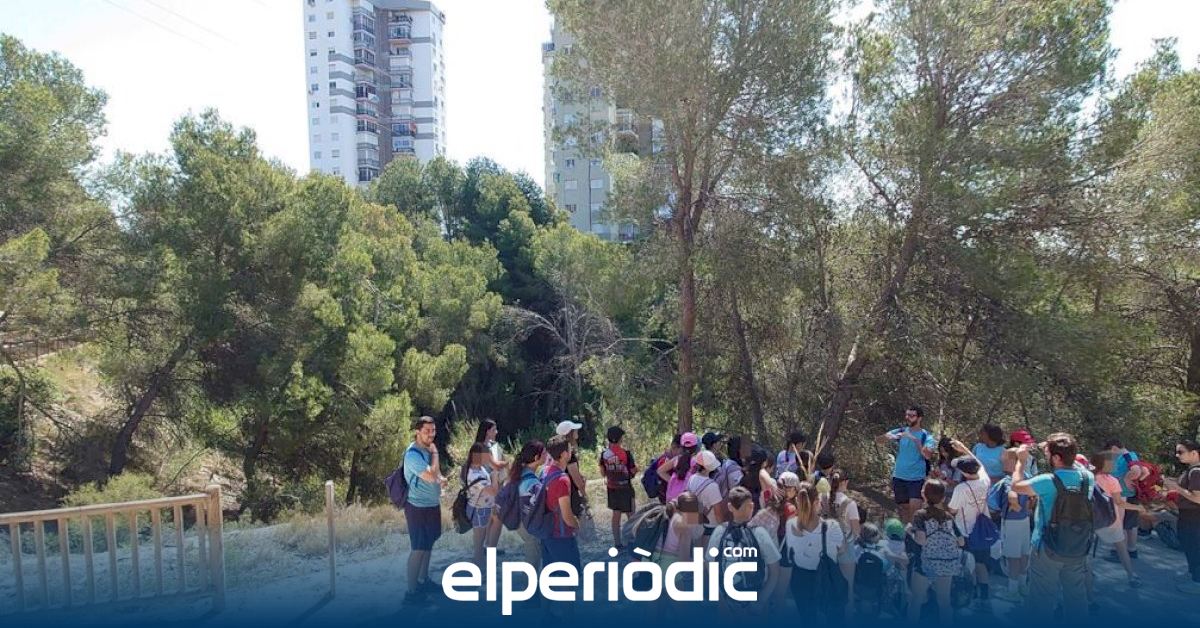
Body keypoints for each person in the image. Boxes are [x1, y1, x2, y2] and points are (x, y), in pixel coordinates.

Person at [1010, 433, 1094, 619]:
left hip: (1046, 547)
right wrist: (1055, 449)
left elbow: (1016, 486)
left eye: (1048, 454)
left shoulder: (1047, 481)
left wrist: (1021, 462)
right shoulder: (1088, 478)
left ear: (1056, 458)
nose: (1046, 456)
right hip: (1078, 545)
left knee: (1042, 600)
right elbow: (1073, 464)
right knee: (1076, 598)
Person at [708, 486, 782, 616]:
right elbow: (775, 571)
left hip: (726, 602)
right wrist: (760, 601)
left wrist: (720, 601)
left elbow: (709, 566)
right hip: (754, 602)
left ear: (730, 507)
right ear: (751, 506)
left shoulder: (720, 531)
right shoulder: (759, 533)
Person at [783, 481, 845, 621]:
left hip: (800, 579)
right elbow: (842, 550)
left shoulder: (790, 524)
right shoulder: (832, 526)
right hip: (826, 577)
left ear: (797, 501)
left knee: (808, 620)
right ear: (817, 501)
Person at [402, 416, 447, 604]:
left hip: (432, 505)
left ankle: (423, 580)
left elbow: (436, 474)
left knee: (428, 544)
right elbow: (429, 476)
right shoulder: (412, 455)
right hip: (417, 507)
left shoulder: (427, 450)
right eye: (427, 431)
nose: (431, 434)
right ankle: (411, 593)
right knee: (418, 548)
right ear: (417, 432)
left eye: (433, 430)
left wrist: (441, 479)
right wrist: (435, 454)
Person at [907, 479, 964, 627]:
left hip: (925, 563)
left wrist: (909, 532)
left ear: (923, 495)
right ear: (943, 498)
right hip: (946, 564)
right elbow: (961, 542)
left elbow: (921, 540)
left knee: (916, 600)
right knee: (944, 601)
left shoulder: (920, 515)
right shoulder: (949, 517)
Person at [1091, 450, 1142, 588]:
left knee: (1087, 549)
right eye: (1112, 462)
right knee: (1121, 547)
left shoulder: (1088, 477)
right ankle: (1131, 575)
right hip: (1110, 518)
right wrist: (1138, 508)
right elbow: (1119, 503)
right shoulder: (1112, 481)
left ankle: (1088, 574)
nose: (1114, 465)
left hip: (1091, 517)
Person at [876, 405, 936, 523]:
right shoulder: (901, 431)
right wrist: (889, 437)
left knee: (915, 512)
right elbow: (878, 440)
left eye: (912, 416)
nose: (908, 418)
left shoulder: (926, 436)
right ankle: (905, 532)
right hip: (899, 477)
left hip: (916, 479)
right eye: (907, 415)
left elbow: (928, 455)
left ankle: (915, 532)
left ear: (919, 418)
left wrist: (915, 440)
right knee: (903, 510)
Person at [988, 448, 1032, 601]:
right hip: (1025, 520)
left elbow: (1010, 494)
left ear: (1014, 461)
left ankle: (1013, 591)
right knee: (1024, 553)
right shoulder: (1027, 476)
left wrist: (1014, 503)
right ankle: (1023, 585)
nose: (1002, 462)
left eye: (1005, 460)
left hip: (1011, 522)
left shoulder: (1008, 480)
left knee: (1013, 556)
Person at [750, 471, 800, 609]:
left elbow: (761, 473)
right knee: (779, 593)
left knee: (765, 585)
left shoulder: (769, 498)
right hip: (784, 549)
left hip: (765, 545)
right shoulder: (791, 509)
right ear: (793, 489)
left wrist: (772, 486)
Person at [946, 454, 992, 603]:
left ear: (964, 473)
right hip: (983, 531)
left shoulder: (961, 488)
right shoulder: (985, 481)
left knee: (968, 563)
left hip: (965, 531)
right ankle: (984, 593)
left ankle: (970, 591)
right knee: (981, 563)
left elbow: (952, 510)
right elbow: (981, 465)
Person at [1164, 439, 1200, 594]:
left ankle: (1197, 582)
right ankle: (1193, 573)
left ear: (1194, 453)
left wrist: (1176, 488)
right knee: (1189, 544)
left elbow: (1197, 498)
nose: (1177, 455)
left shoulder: (1196, 472)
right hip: (1188, 514)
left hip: (1194, 516)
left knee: (1194, 546)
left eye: (1181, 452)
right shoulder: (1191, 470)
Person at [541, 435, 581, 568]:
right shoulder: (562, 480)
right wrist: (576, 524)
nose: (571, 451)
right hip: (561, 536)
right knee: (570, 577)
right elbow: (567, 516)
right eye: (569, 449)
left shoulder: (544, 471)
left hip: (547, 534)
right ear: (564, 454)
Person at [1104, 438, 1145, 560]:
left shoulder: (1126, 456)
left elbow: (1136, 471)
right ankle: (1131, 550)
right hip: (1131, 493)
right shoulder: (1132, 455)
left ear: (1114, 448)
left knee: (1119, 524)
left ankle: (1120, 553)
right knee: (1130, 524)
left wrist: (1127, 479)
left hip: (1122, 493)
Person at [827, 470, 861, 612]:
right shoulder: (850, 504)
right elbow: (856, 531)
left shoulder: (824, 499)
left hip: (827, 547)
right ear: (845, 482)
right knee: (848, 588)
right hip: (846, 547)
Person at [474, 419, 509, 552]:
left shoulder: (491, 446)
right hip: (487, 489)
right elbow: (495, 465)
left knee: (492, 518)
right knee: (496, 518)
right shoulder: (480, 448)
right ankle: (489, 549)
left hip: (494, 486)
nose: (496, 432)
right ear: (487, 431)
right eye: (494, 430)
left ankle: (487, 547)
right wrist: (506, 463)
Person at [600, 425, 637, 548]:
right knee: (631, 515)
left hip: (612, 489)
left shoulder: (604, 455)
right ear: (620, 439)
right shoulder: (626, 454)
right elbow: (633, 470)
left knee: (616, 515)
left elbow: (603, 472)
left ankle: (617, 543)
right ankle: (633, 540)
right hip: (626, 488)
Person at [509, 440, 545, 567]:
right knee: (533, 552)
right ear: (536, 458)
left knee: (532, 550)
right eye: (544, 453)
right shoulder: (531, 481)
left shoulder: (521, 472)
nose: (547, 456)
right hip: (525, 522)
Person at [463, 442, 499, 567]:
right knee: (479, 543)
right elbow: (493, 491)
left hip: (482, 508)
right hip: (479, 511)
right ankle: (479, 567)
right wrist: (495, 477)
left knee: (481, 540)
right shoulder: (474, 474)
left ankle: (480, 564)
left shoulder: (479, 468)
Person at [555, 420, 589, 531]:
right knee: (580, 523)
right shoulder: (570, 456)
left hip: (564, 492)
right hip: (572, 493)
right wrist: (585, 495)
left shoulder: (558, 452)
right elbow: (577, 481)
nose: (577, 431)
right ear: (570, 433)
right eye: (575, 430)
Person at [687, 450, 730, 527]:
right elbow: (718, 515)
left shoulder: (691, 478)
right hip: (709, 526)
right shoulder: (712, 486)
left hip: (695, 524)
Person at [660, 431, 700, 502]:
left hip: (671, 500)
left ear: (682, 447)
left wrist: (672, 481)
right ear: (696, 447)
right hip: (687, 500)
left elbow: (660, 471)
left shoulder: (676, 460)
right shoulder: (696, 462)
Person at [703, 431, 744, 498]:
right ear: (714, 445)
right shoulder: (724, 463)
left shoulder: (703, 460)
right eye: (718, 442)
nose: (720, 444)